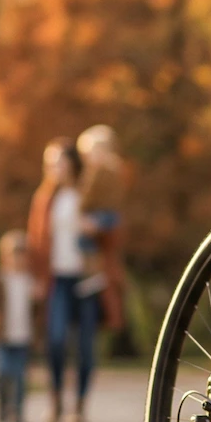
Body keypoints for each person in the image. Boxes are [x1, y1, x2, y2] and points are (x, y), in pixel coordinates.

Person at [27, 138, 98, 422]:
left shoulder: (87, 193)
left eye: (58, 161)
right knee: (55, 340)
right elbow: (35, 240)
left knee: (85, 346)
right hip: (57, 278)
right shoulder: (45, 199)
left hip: (86, 279)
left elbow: (113, 227)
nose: (53, 167)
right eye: (50, 162)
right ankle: (56, 399)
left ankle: (78, 405)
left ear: (71, 163)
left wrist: (95, 227)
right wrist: (36, 277)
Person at [75, 124, 130, 334]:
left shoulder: (99, 171)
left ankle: (91, 274)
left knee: (84, 242)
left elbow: (89, 195)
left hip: (102, 218)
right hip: (109, 218)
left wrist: (82, 211)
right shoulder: (117, 169)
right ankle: (93, 275)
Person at [0, 230, 36, 422]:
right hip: (1, 336)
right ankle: (3, 407)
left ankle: (18, 412)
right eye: (14, 254)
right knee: (3, 373)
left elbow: (36, 311)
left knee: (20, 376)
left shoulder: (30, 282)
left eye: (22, 254)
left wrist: (38, 299)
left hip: (23, 335)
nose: (17, 259)